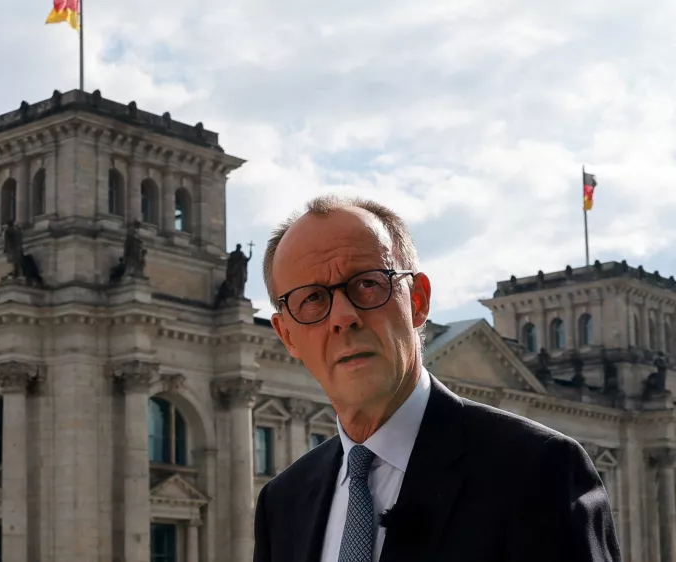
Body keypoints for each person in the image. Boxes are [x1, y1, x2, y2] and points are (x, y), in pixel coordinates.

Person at [254, 194, 619, 562]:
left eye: (367, 284)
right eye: (313, 298)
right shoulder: (282, 503)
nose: (343, 317)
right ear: (286, 335)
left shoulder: (537, 469)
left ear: (418, 301)